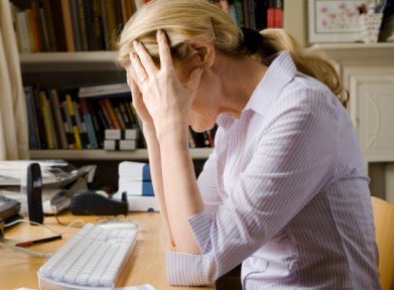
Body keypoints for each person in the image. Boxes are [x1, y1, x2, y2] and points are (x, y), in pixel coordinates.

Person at [116, 0, 381, 289]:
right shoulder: (236, 123)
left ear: (202, 54)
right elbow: (183, 240)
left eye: (160, 87)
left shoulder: (302, 110)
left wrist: (171, 129)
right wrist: (154, 128)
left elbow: (203, 260)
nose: (158, 102)